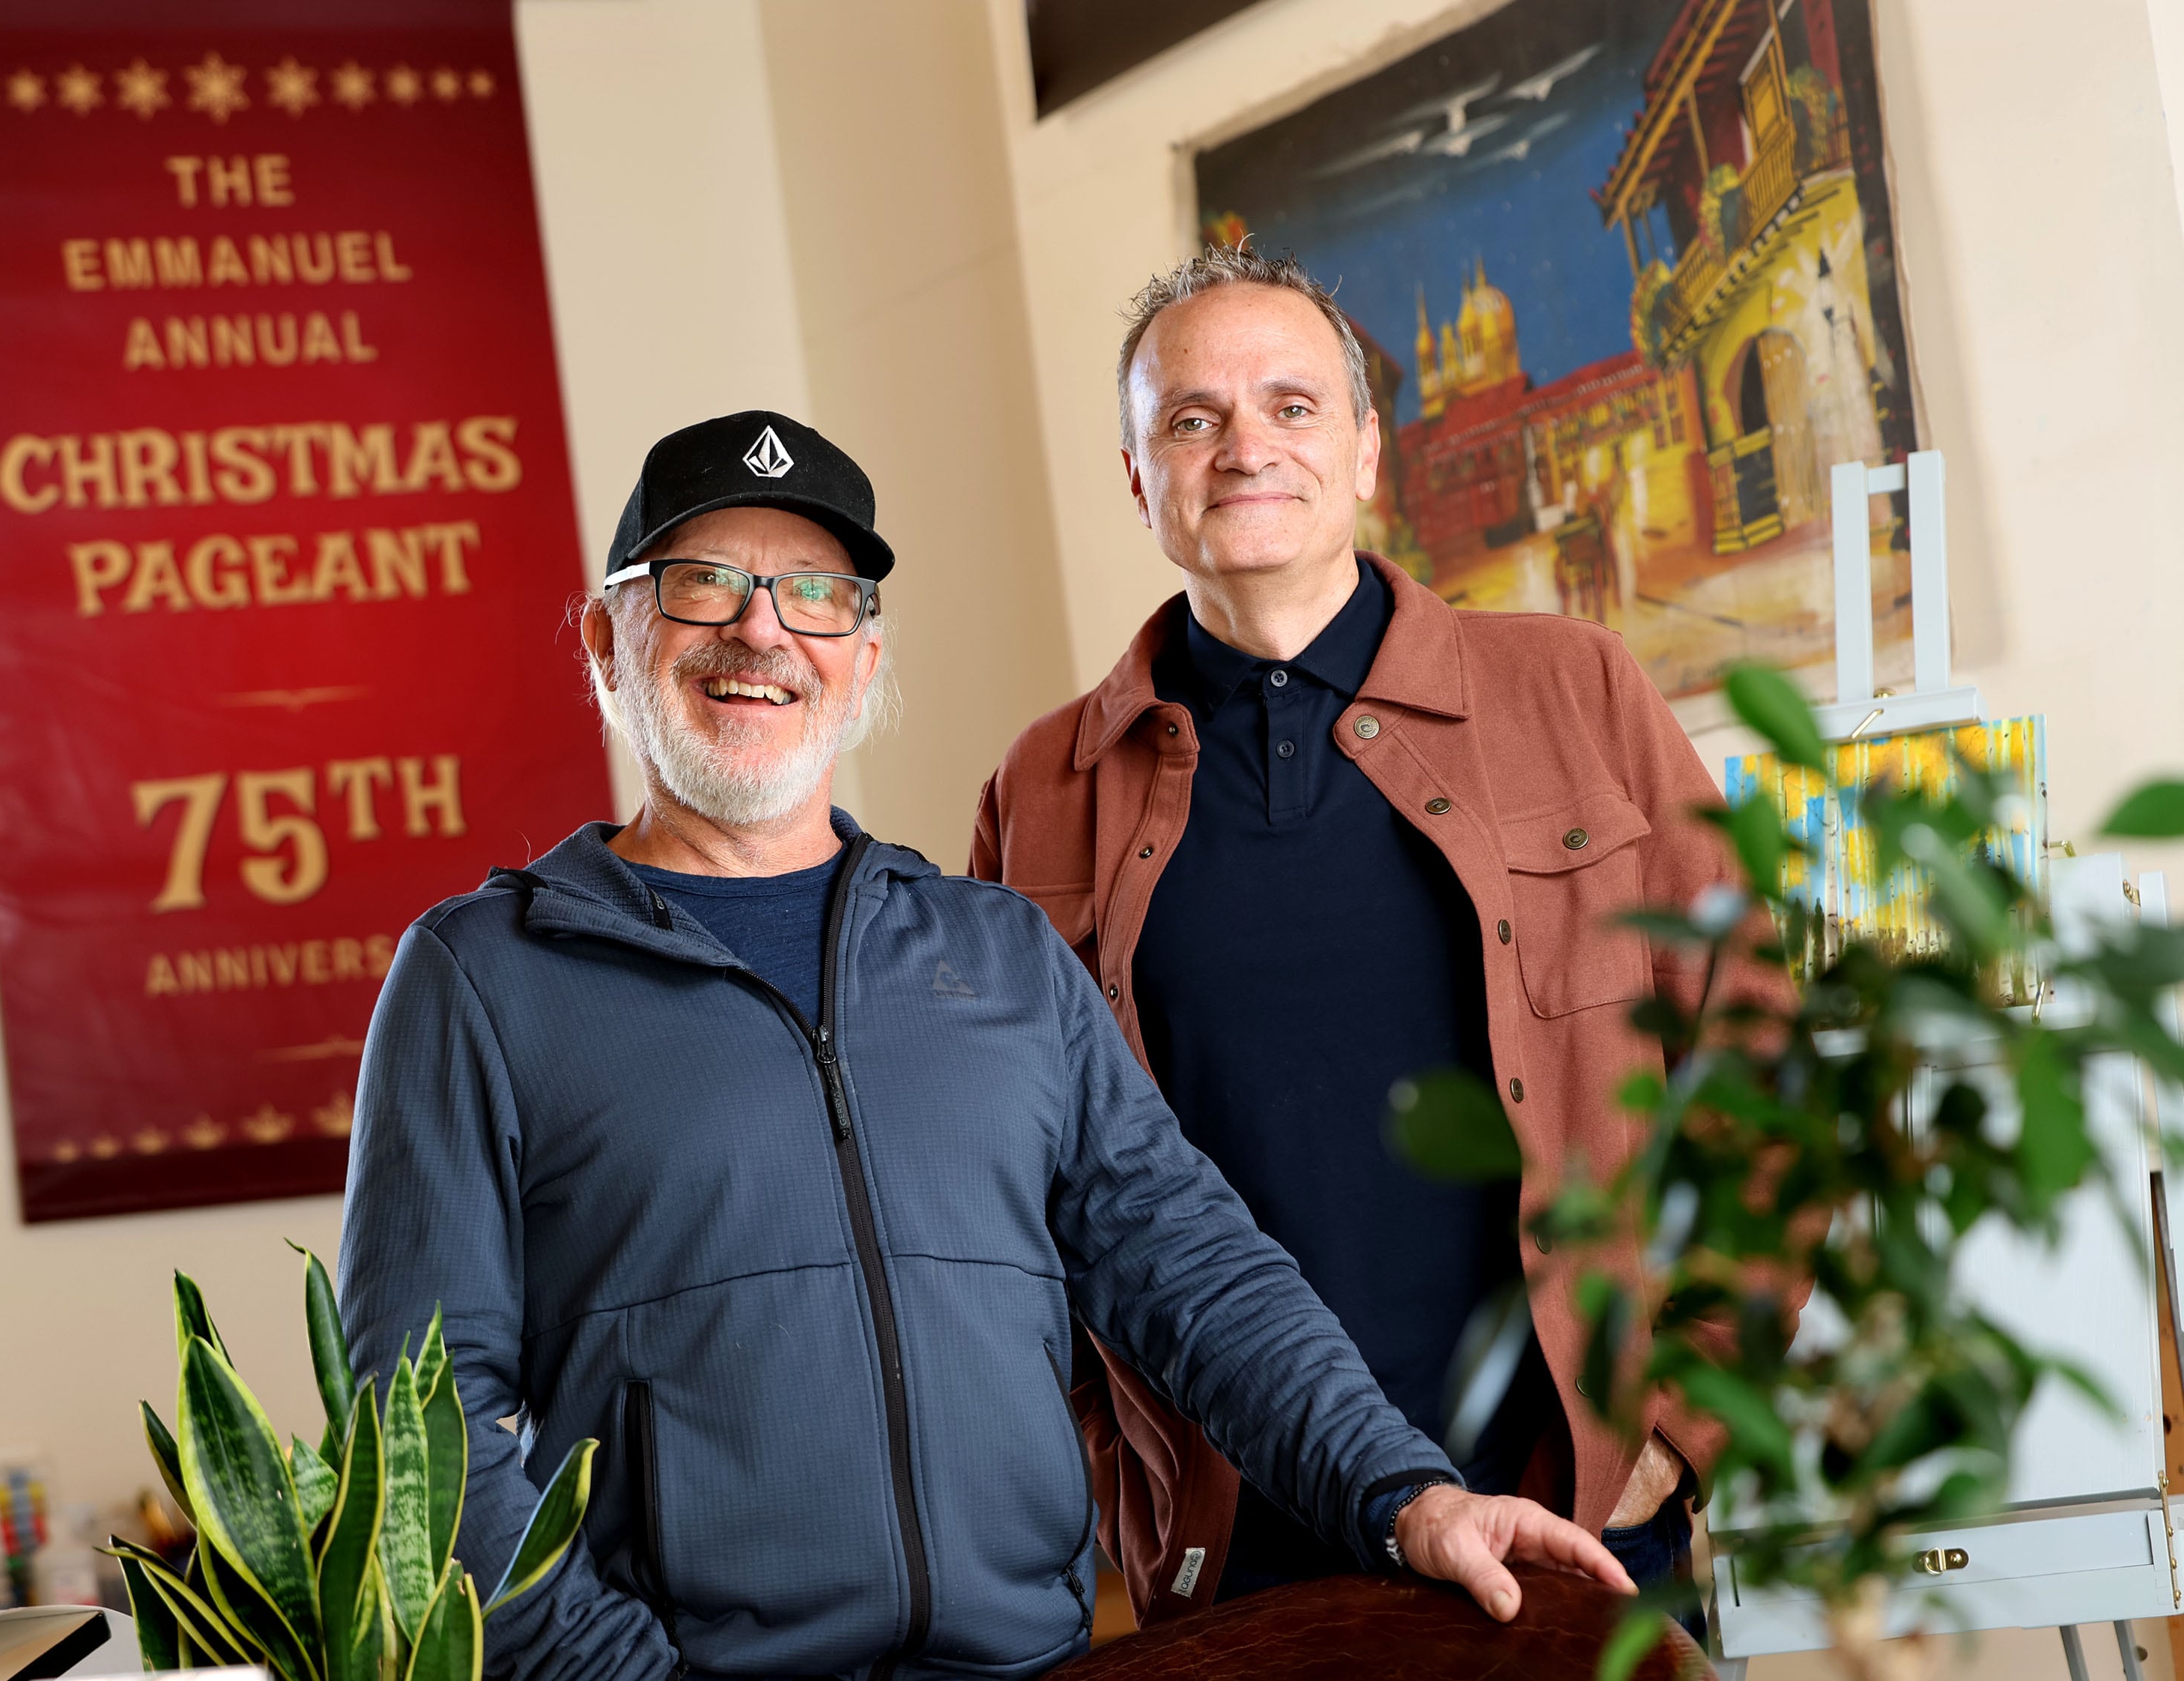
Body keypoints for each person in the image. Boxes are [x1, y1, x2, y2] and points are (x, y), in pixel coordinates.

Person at [338, 410, 1631, 1681]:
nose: (761, 630)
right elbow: (416, 1423)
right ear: (608, 639)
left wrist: (1407, 1498)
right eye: (703, 584)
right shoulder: (482, 980)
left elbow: (1196, 1274)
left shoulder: (997, 953)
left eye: (813, 593)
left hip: (1037, 1668)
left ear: (866, 652)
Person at [971, 248, 1801, 1635]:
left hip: (1572, 1522)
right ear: (1137, 476)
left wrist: (1675, 1432)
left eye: (1292, 406)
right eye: (1192, 418)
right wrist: (1119, 1477)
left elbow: (1756, 1058)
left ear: (1363, 451)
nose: (1245, 448)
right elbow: (1003, 1184)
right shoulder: (1042, 788)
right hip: (1237, 1559)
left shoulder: (1574, 691)